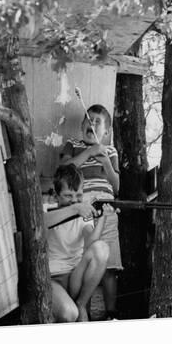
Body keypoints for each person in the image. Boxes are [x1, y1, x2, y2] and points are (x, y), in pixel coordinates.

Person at [60, 104, 122, 320]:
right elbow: (65, 171)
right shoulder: (73, 145)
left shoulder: (110, 150)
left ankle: (111, 313)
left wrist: (105, 160)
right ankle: (79, 305)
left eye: (98, 121)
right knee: (83, 256)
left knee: (110, 265)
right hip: (81, 208)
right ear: (81, 126)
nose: (92, 123)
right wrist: (89, 152)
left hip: (106, 210)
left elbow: (116, 186)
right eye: (89, 119)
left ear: (106, 133)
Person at [44, 164, 110, 322]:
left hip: (75, 277)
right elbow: (41, 222)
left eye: (78, 196)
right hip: (53, 279)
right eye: (68, 195)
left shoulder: (83, 214)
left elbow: (91, 243)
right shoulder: (46, 209)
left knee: (102, 248)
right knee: (69, 314)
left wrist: (102, 219)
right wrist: (75, 209)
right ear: (56, 195)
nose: (74, 201)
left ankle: (82, 303)